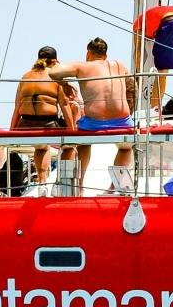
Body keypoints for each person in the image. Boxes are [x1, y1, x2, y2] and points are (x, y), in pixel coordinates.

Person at [51, 36, 138, 194]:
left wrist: (65, 84)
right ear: (105, 55)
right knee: (126, 147)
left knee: (84, 143)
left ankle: (80, 186)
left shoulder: (83, 66)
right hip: (122, 121)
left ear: (88, 54)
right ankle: (115, 187)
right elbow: (132, 87)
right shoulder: (120, 65)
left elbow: (53, 72)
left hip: (94, 122)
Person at [9, 45, 75, 193]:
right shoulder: (55, 77)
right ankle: (64, 184)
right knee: (70, 147)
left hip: (25, 124)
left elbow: (17, 108)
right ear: (55, 61)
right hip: (48, 124)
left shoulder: (25, 76)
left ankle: (42, 182)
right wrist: (72, 131)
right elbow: (65, 107)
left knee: (41, 147)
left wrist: (11, 131)